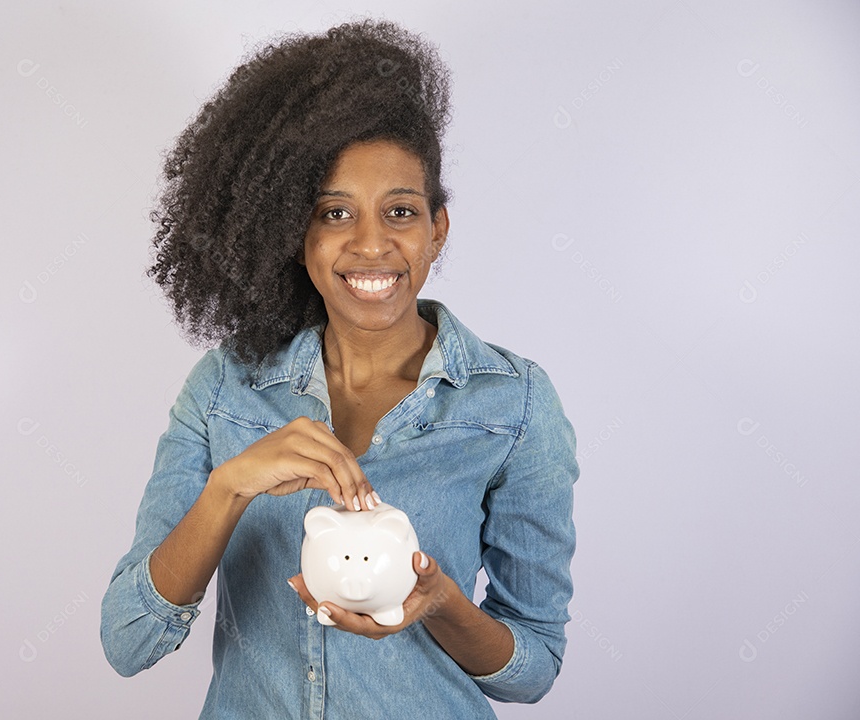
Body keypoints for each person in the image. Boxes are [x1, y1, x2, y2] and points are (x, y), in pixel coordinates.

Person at [100, 20, 578, 719]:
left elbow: (530, 670)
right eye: (335, 213)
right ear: (295, 234)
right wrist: (231, 486)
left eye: (401, 212)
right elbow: (127, 640)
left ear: (436, 228)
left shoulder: (514, 404)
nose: (371, 245)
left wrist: (441, 605)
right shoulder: (226, 390)